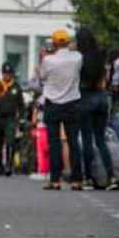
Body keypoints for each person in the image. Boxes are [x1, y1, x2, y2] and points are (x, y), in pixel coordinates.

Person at [39, 29, 83, 190]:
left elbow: (42, 77)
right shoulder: (78, 58)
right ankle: (77, 180)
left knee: (54, 142)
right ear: (67, 42)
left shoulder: (49, 60)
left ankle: (55, 180)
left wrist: (43, 56)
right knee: (73, 143)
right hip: (72, 102)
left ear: (55, 43)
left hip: (53, 103)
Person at [76, 28, 118, 189]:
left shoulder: (80, 59)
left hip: (85, 97)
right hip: (101, 98)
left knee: (87, 140)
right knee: (101, 140)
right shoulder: (100, 56)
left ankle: (89, 178)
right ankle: (112, 176)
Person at [0, 62, 25, 176]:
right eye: (5, 73)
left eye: (9, 73)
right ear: (2, 73)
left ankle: (8, 165)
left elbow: (21, 105)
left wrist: (21, 119)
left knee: (10, 142)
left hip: (10, 119)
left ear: (12, 74)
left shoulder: (16, 87)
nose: (7, 75)